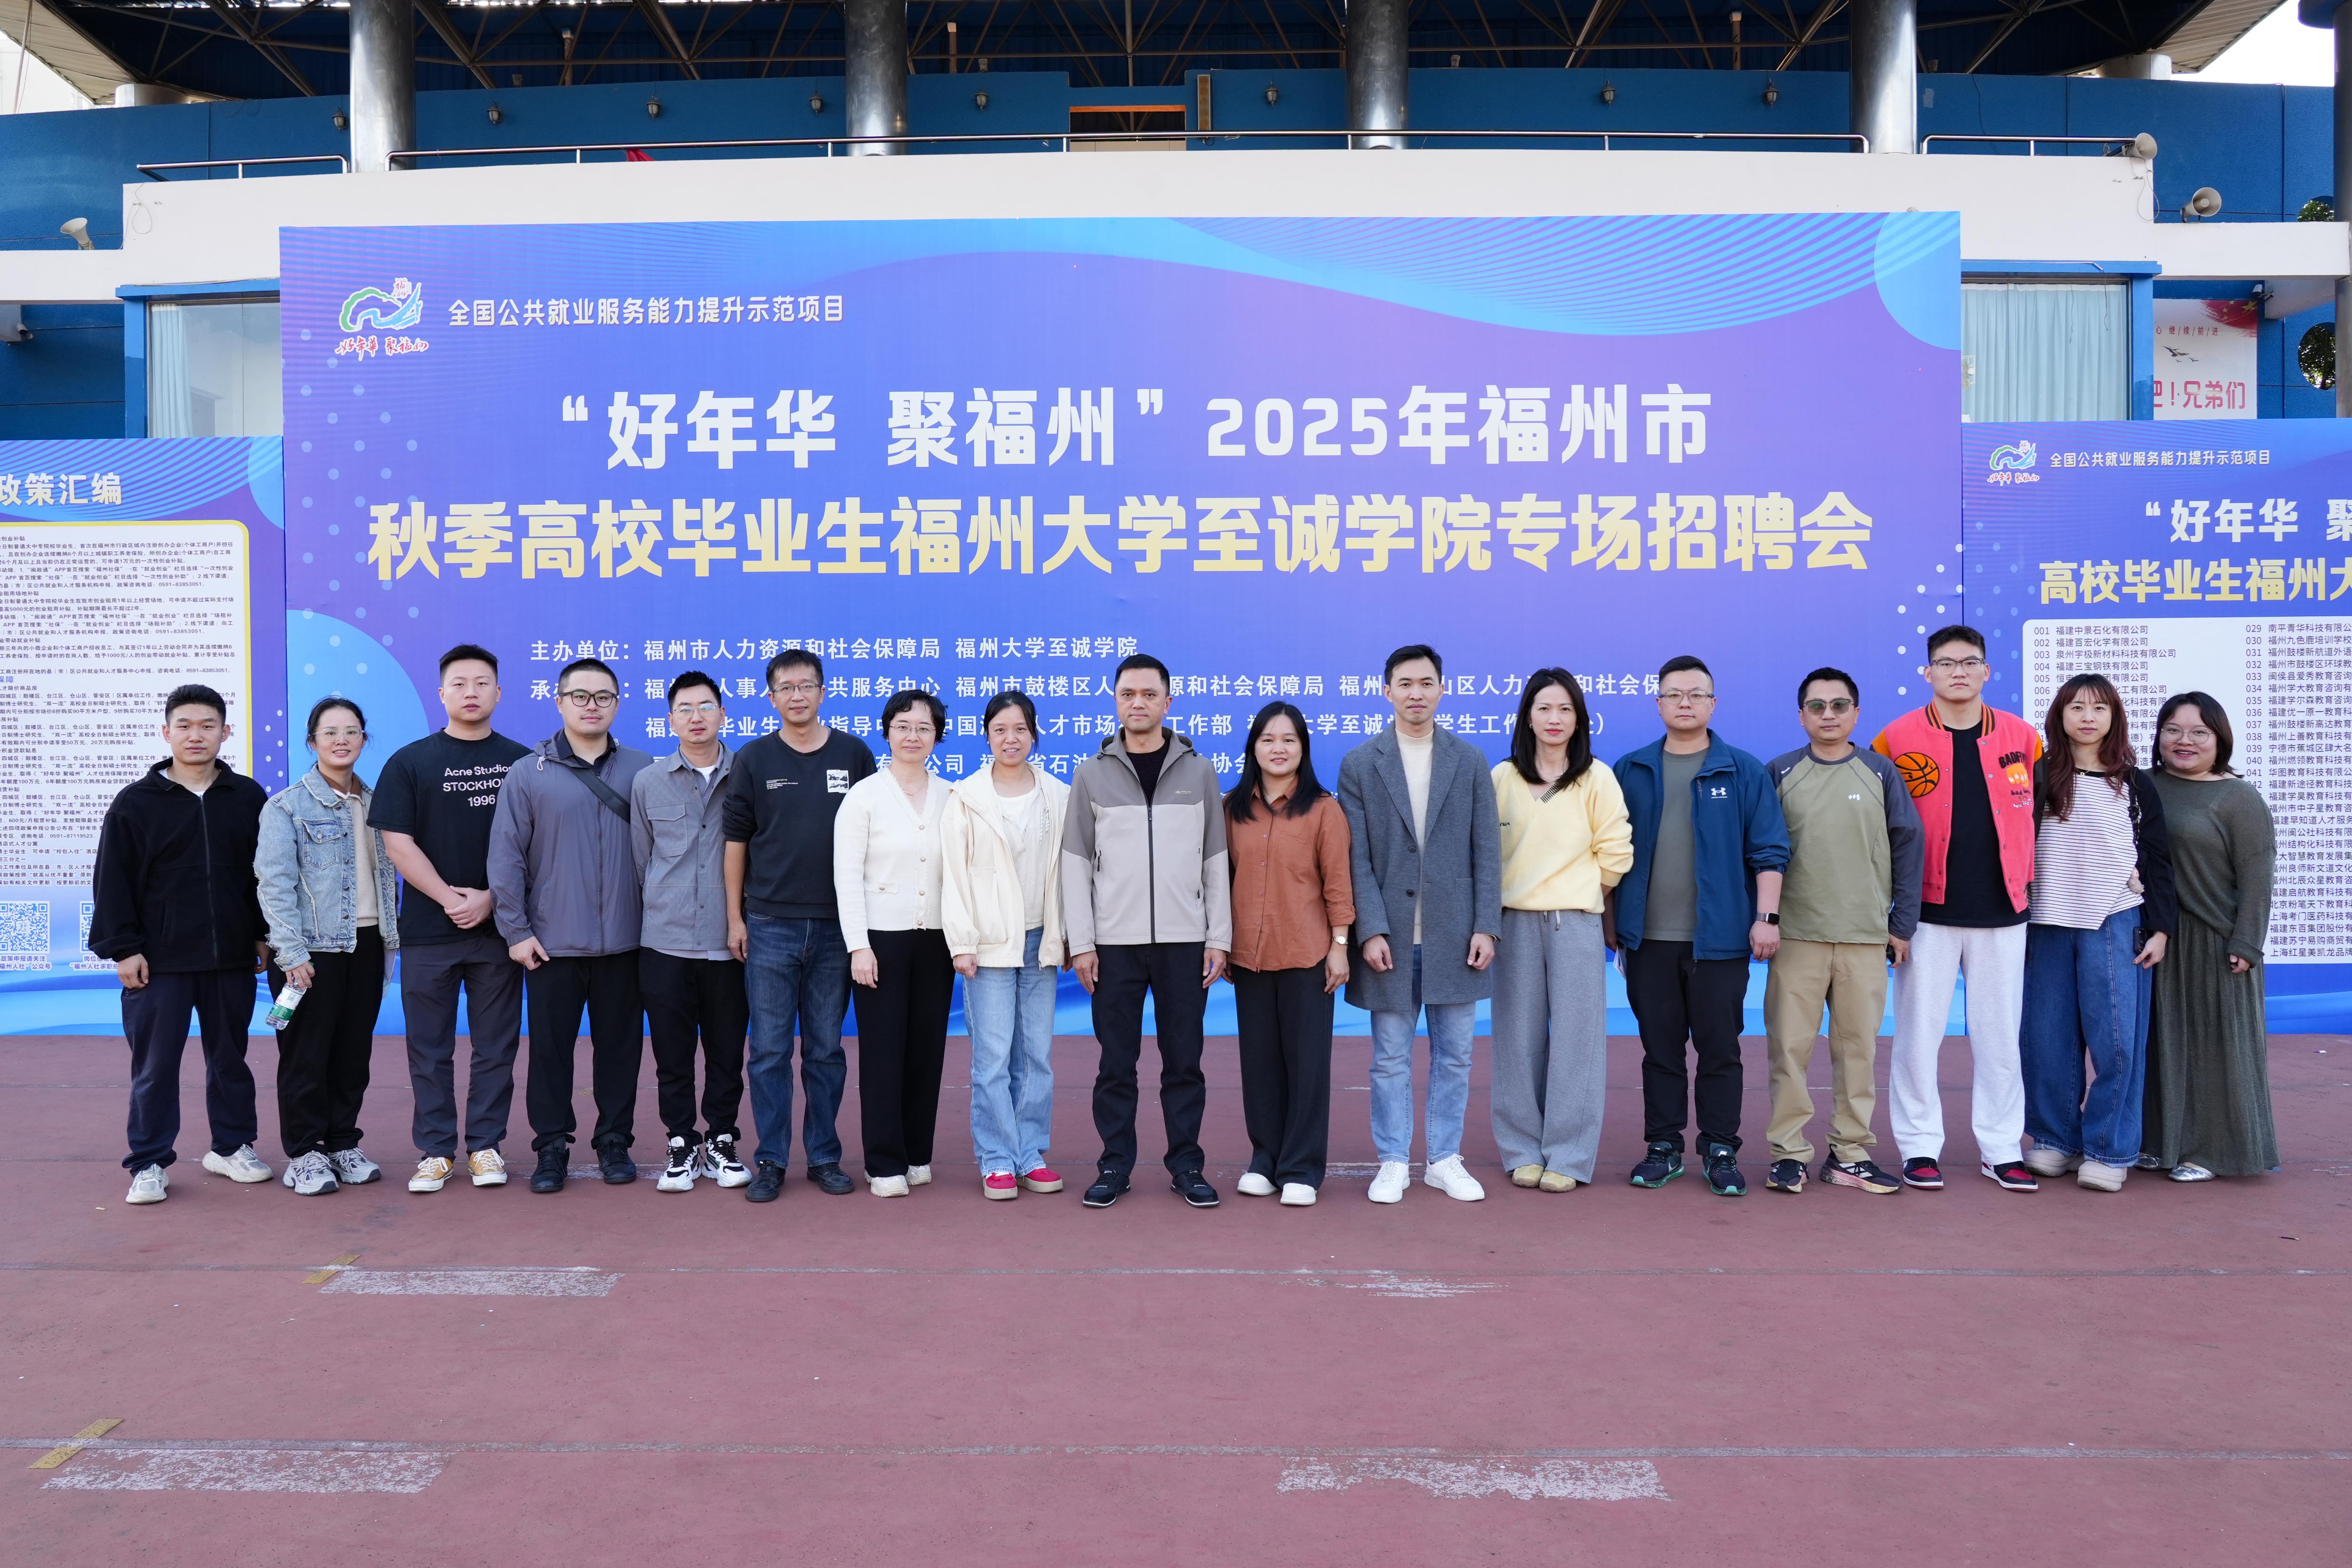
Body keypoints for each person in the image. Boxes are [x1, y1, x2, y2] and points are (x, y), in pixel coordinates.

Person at [1872, 625, 2044, 1193]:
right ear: (1927, 673)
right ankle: (1919, 1146)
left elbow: (2042, 816)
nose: (1958, 672)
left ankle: (2001, 1148)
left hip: (2004, 909)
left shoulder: (2023, 737)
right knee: (1917, 1037)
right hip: (1926, 912)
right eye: (1945, 663)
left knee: (1999, 1039)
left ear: (1986, 671)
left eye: (1969, 662)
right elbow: (1878, 827)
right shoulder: (1894, 738)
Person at [1611, 655, 1788, 1198]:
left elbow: (1769, 851)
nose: (1684, 703)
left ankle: (1719, 1149)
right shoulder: (1631, 770)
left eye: (1695, 694)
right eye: (1673, 694)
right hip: (1648, 940)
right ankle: (1662, 1146)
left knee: (1720, 1050)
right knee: (1659, 1050)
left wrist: (1765, 919)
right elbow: (1606, 852)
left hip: (1720, 941)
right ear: (1658, 704)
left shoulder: (1741, 770)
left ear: (1713, 703)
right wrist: (1610, 922)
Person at [90, 684, 274, 1204]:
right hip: (159, 962)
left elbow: (263, 875)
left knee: (231, 1059)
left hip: (230, 957)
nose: (197, 735)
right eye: (186, 726)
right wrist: (123, 948)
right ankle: (148, 1161)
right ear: (166, 732)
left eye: (208, 726)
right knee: (155, 1067)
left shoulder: (247, 797)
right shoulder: (135, 803)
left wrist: (261, 933)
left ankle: (232, 1147)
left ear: (225, 732)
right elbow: (112, 880)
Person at [1061, 653, 1232, 1210]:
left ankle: (1187, 1165)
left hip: (1185, 943)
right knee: (1116, 1065)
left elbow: (1215, 859)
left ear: (1167, 701)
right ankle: (1114, 1165)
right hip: (1113, 946)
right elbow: (1074, 864)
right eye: (1127, 694)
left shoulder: (1199, 771)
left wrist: (1218, 936)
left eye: (1148, 694)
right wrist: (1082, 944)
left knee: (1184, 1062)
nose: (1138, 703)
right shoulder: (1091, 773)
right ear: (1115, 701)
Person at [1336, 644, 1499, 1206]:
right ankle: (1391, 1160)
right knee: (1389, 1059)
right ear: (1386, 691)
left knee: (1456, 1056)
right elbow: (1355, 857)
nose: (1415, 693)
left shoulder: (1468, 760)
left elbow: (1487, 849)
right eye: (1404, 684)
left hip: (1456, 936)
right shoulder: (1361, 763)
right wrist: (1370, 929)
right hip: (1389, 939)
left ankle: (1444, 1159)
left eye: (1426, 683)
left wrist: (1486, 925)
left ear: (1441, 690)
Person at [487, 656, 653, 1194]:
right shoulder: (527, 772)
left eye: (603, 696)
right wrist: (516, 932)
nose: (591, 706)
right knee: (550, 1053)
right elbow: (506, 858)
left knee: (621, 1051)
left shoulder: (643, 770)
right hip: (551, 943)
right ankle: (551, 1146)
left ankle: (614, 1141)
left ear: (617, 704)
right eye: (579, 696)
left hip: (627, 942)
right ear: (559, 702)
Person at [371, 644, 531, 1195]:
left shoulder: (521, 763)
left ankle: (485, 1146)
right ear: (441, 694)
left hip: (499, 933)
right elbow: (398, 843)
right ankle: (436, 1150)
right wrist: (450, 899)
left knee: (496, 1047)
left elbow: (535, 845)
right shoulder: (409, 762)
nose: (471, 692)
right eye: (459, 683)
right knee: (428, 1050)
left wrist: (490, 899)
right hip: (427, 933)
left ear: (498, 693)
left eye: (482, 683)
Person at [1761, 669, 1922, 1197]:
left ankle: (1850, 1153)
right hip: (1797, 937)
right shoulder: (1780, 772)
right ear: (1801, 715)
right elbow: (1758, 851)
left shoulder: (1880, 772)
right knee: (1789, 1050)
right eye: (1816, 706)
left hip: (1864, 937)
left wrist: (1901, 925)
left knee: (1857, 1052)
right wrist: (1764, 920)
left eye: (1838, 705)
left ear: (1856, 713)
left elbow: (1908, 845)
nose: (1827, 715)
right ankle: (1788, 1153)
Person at [723, 647, 874, 1202]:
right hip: (769, 925)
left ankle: (824, 1157)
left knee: (825, 1050)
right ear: (771, 698)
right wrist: (735, 917)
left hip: (837, 928)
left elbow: (876, 835)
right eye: (785, 688)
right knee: (767, 1051)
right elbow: (735, 843)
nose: (797, 696)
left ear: (822, 692)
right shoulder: (754, 759)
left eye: (806, 686)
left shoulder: (853, 754)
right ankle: (770, 1159)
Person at [2019, 674, 2174, 1193]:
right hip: (2045, 921)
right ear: (2059, 716)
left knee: (2117, 1041)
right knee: (2046, 1038)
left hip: (2115, 918)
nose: (2088, 717)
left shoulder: (2135, 783)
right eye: (2077, 707)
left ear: (2114, 717)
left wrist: (2160, 929)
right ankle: (2053, 1139)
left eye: (2099, 708)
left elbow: (2158, 858)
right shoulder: (2038, 775)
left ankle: (2109, 1148)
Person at [1489, 669, 1631, 1194]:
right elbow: (1485, 853)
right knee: (1516, 1039)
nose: (1554, 718)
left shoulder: (1596, 777)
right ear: (1527, 716)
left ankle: (1569, 1155)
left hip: (1574, 922)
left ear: (1579, 719)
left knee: (1577, 1041)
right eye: (1544, 708)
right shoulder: (1502, 777)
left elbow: (1616, 851)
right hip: (1513, 923)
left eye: (1565, 709)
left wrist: (1580, 890)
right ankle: (1521, 1149)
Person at [255, 697, 402, 1195]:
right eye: (330, 731)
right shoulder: (286, 806)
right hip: (310, 951)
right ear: (312, 740)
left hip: (368, 944)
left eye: (352, 731)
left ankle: (342, 1142)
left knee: (353, 1055)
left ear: (364, 739)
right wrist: (291, 953)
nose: (342, 740)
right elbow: (273, 884)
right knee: (305, 1055)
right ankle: (304, 1153)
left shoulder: (380, 803)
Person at [1224, 702, 1355, 1207]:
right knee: (1259, 1065)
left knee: (1306, 1066)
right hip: (1249, 957)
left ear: (1303, 749)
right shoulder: (1232, 808)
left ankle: (1301, 1167)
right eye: (1268, 739)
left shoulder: (1323, 809)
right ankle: (1265, 1159)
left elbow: (1338, 885)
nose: (1278, 749)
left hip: (1307, 955)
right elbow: (1220, 881)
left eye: (1289, 740)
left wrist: (1339, 947)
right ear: (1252, 748)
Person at [2143, 692, 2277, 1183]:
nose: (2185, 741)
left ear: (2219, 739)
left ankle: (2213, 1152)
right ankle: (2159, 1144)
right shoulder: (2142, 785)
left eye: (2199, 732)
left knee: (2215, 1047)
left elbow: (2257, 875)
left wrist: (2246, 943)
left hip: (2215, 942)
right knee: (2159, 1046)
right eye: (2173, 730)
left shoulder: (2237, 798)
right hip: (2155, 937)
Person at [942, 691, 1070, 1201]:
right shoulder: (966, 796)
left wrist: (1065, 936)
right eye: (1000, 730)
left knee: (1036, 1056)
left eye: (1020, 729)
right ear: (987, 736)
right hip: (989, 943)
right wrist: (962, 943)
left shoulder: (1058, 794)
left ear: (1034, 734)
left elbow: (1068, 873)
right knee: (993, 1058)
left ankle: (1030, 1153)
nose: (1010, 739)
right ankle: (997, 1158)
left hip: (1040, 941)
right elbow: (953, 876)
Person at [630, 671, 749, 1194]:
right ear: (670, 720)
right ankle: (680, 1142)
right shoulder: (648, 781)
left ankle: (722, 1139)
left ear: (723, 714)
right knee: (672, 1055)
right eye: (685, 708)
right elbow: (641, 860)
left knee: (727, 1053)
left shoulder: (748, 773)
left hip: (730, 943)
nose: (696, 717)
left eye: (706, 706)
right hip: (666, 941)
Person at [834, 690, 954, 1198]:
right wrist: (858, 946)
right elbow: (846, 875)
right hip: (880, 941)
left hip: (938, 940)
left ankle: (917, 1153)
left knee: (927, 1050)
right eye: (902, 726)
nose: (912, 736)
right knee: (883, 1052)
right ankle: (883, 1162)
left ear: (937, 737)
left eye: (924, 728)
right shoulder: (864, 796)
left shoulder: (952, 795)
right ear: (886, 732)